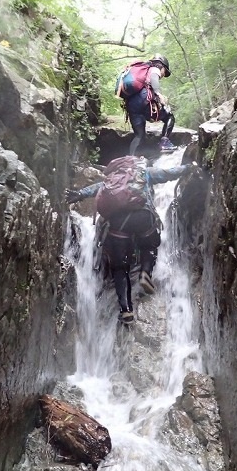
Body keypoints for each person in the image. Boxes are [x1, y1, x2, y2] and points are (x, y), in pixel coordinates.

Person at [65, 158, 197, 325]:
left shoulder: (114, 178)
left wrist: (79, 194)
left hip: (118, 224)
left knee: (120, 268)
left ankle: (126, 310)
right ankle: (145, 273)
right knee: (149, 245)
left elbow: (98, 188)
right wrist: (189, 167)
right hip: (143, 217)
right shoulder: (145, 173)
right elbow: (169, 173)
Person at [126, 54, 177, 156]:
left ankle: (131, 160)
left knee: (139, 136)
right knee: (169, 116)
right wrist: (158, 94)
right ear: (161, 66)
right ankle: (164, 143)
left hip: (131, 104)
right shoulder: (154, 68)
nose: (163, 75)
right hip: (143, 100)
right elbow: (154, 78)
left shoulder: (142, 72)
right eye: (165, 72)